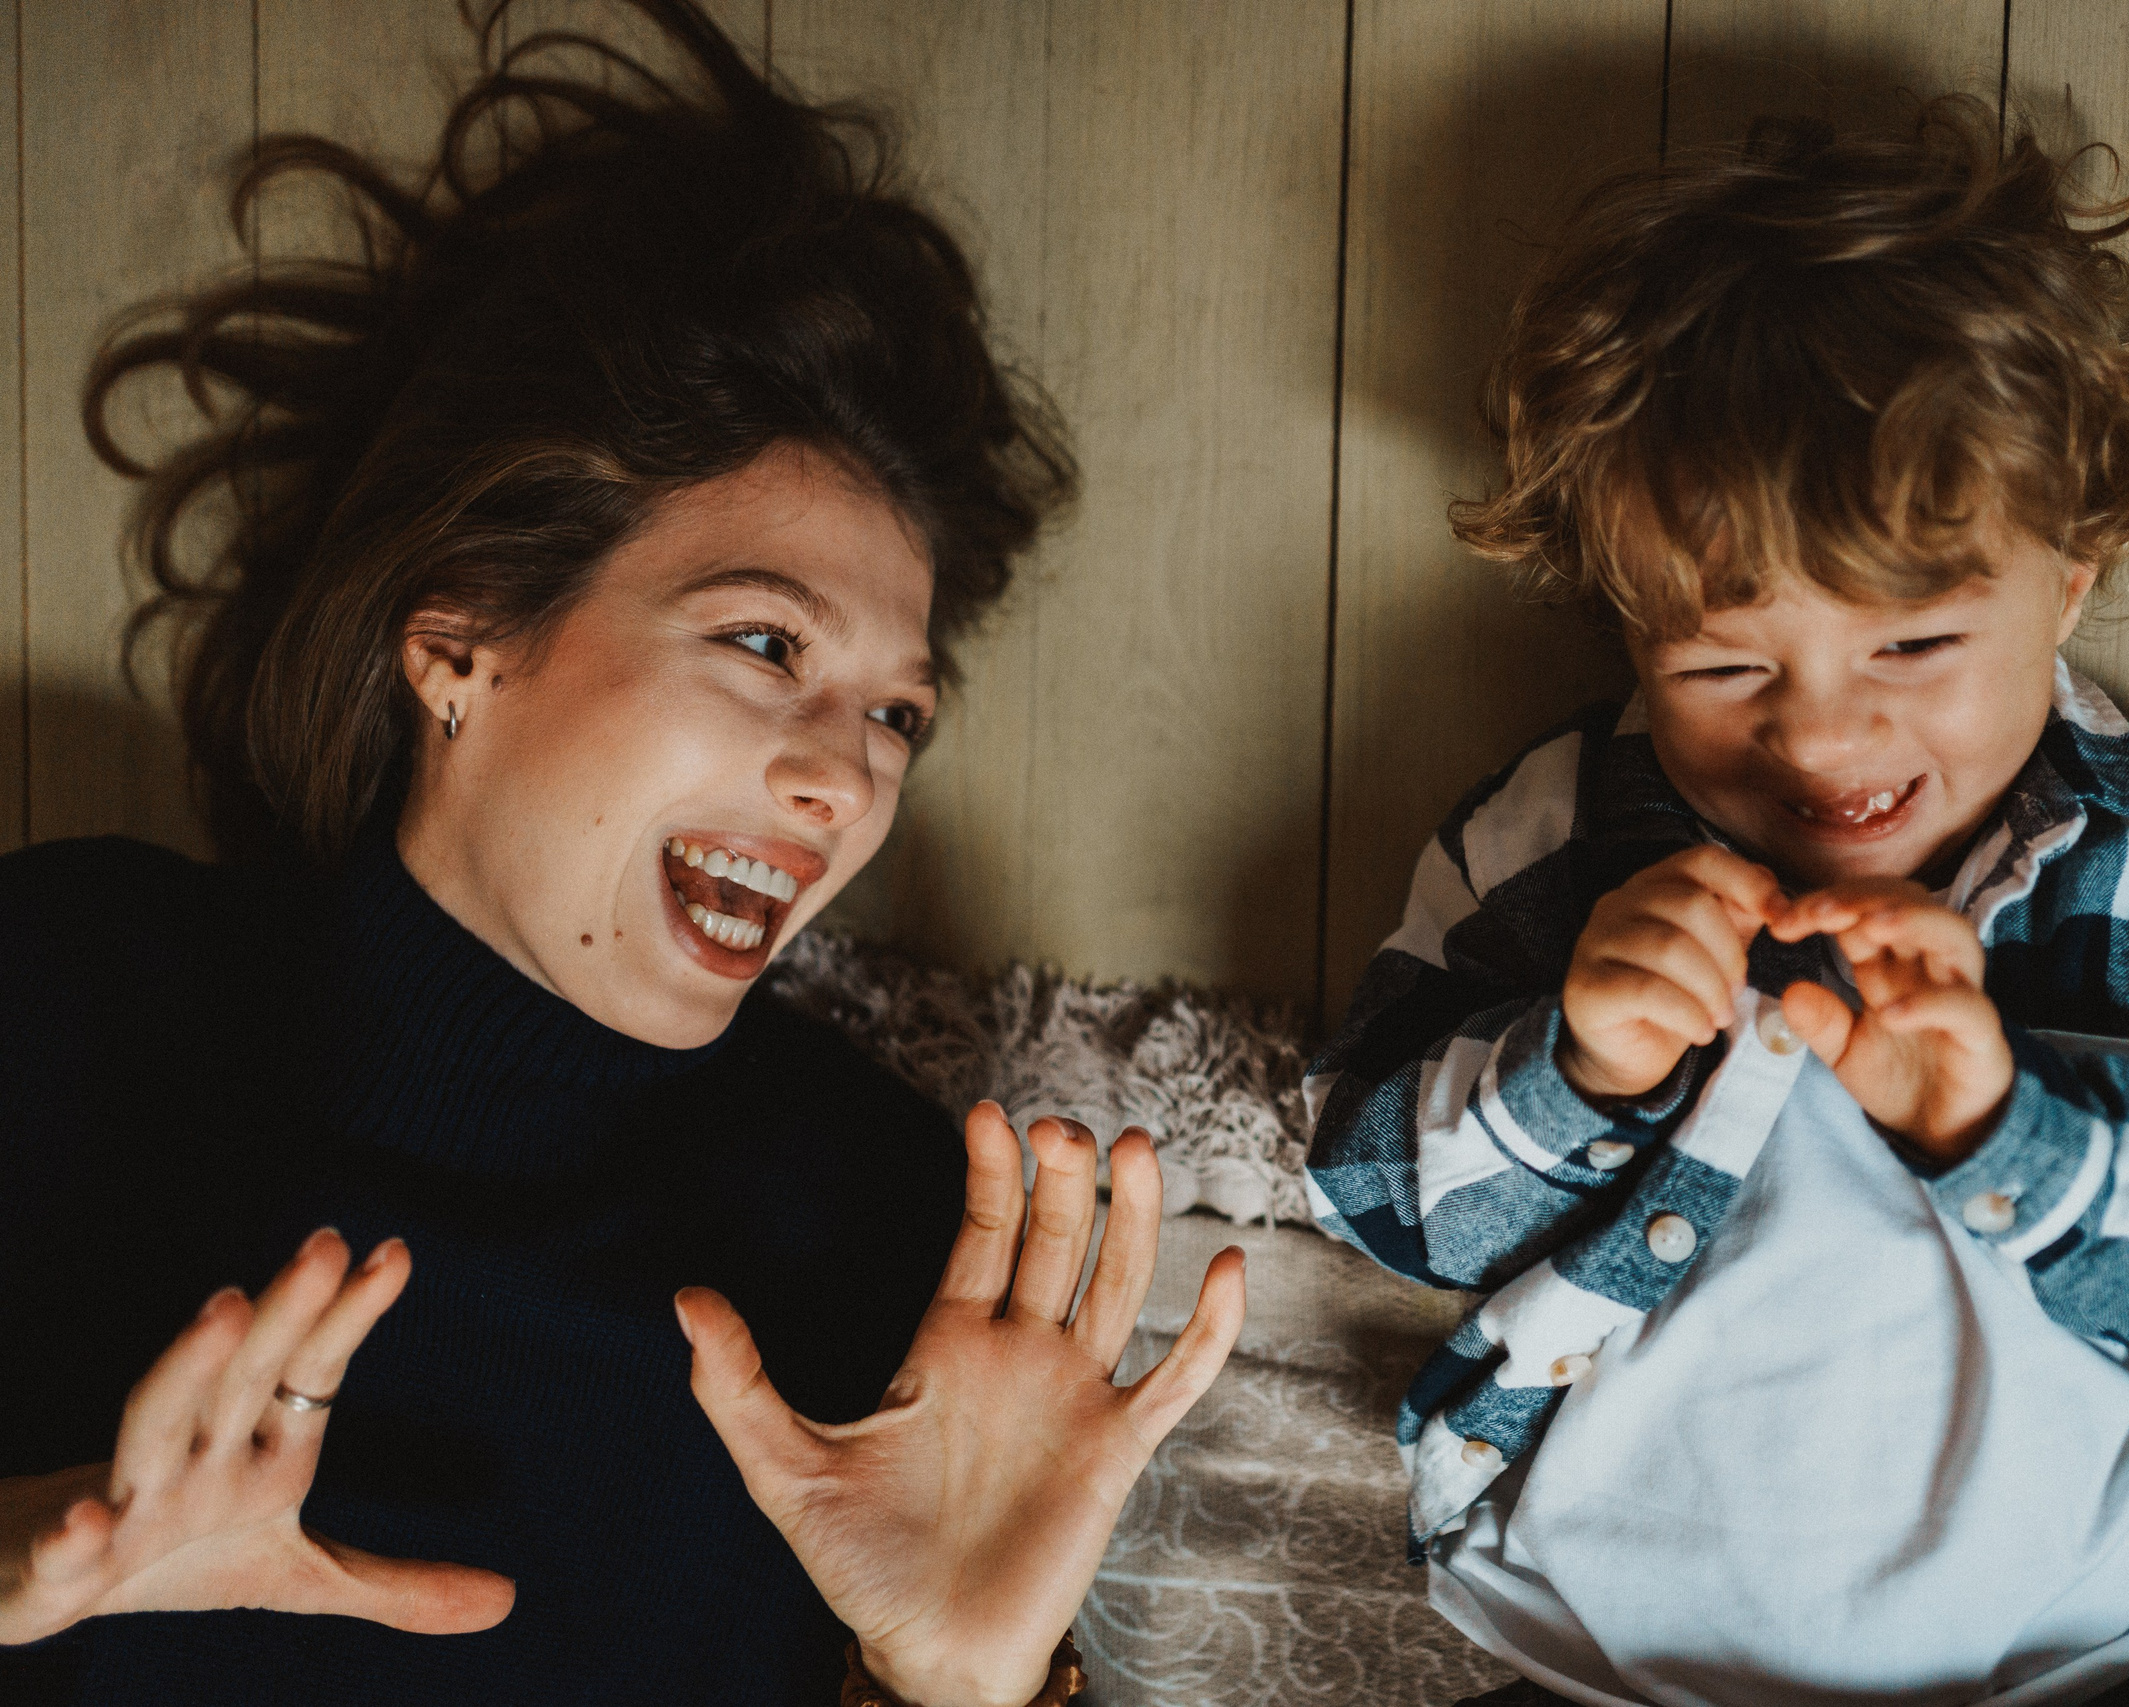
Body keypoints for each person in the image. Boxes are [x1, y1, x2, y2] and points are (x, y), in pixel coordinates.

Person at [0, 4, 1243, 1704]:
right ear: (461, 643)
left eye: (898, 716)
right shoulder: (67, 991)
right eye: (764, 645)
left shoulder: (872, 1222)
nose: (846, 783)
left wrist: (976, 1690)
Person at [1303, 103, 2129, 1707]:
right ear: (1623, 622)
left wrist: (2012, 1125)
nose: (1821, 737)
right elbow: (1368, 1192)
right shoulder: (1555, 845)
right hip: (1627, 1660)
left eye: (1910, 646)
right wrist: (1575, 1074)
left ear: (2073, 569)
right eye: (1720, 664)